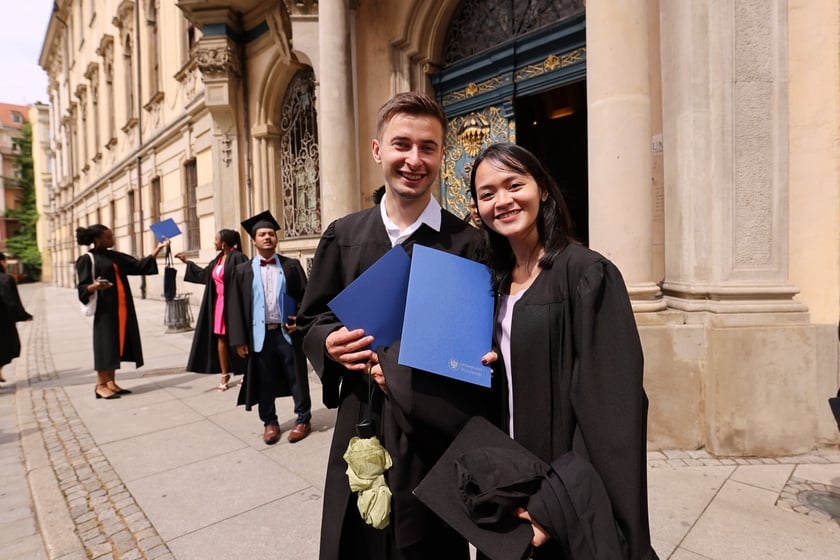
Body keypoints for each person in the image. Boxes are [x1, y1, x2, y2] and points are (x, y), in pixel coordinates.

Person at [296, 91, 488, 560]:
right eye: (402, 144)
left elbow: (476, 354)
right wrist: (328, 341)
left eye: (428, 147)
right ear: (378, 150)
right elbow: (311, 319)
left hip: (431, 433)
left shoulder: (468, 246)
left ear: (442, 155)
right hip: (360, 418)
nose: (414, 160)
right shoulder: (344, 235)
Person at [469, 143, 658, 559]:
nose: (502, 201)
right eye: (487, 193)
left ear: (542, 189)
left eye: (514, 185)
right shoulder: (492, 282)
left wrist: (553, 505)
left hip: (561, 493)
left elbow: (611, 410)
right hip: (509, 483)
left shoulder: (586, 273)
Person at [226, 211, 312, 445]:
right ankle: (270, 422)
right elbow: (234, 306)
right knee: (264, 379)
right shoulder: (242, 270)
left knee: (297, 377)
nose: (267, 237)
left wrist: (299, 321)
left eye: (271, 234)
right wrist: (239, 339)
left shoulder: (291, 266)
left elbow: (305, 297)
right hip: (259, 335)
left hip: (287, 333)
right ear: (254, 240)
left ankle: (303, 419)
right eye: (262, 234)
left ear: (276, 238)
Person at [76, 225, 170, 399]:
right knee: (105, 345)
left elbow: (138, 266)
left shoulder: (114, 256)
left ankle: (111, 382)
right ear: (97, 239)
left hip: (123, 307)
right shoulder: (87, 259)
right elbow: (82, 288)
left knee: (117, 344)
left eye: (112, 236)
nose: (112, 240)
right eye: (108, 237)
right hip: (105, 309)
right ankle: (100, 385)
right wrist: (95, 286)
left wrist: (158, 248)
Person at [176, 229, 249, 391]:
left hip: (234, 305)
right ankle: (224, 374)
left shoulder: (238, 257)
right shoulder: (218, 259)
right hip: (219, 305)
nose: (214, 242)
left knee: (238, 338)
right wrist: (187, 262)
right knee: (220, 339)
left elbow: (246, 281)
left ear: (224, 243)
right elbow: (204, 275)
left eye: (216, 240)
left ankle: (246, 372)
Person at [0, 252, 33, 383]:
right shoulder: (6, 279)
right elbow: (12, 301)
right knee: (7, 348)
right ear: (1, 262)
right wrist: (23, 315)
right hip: (3, 322)